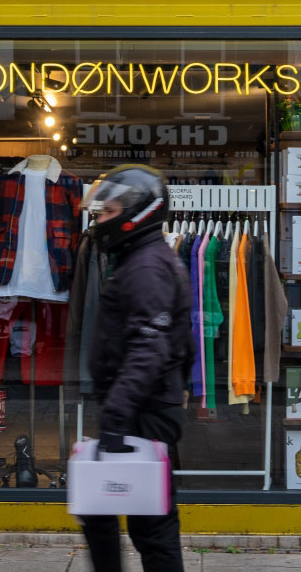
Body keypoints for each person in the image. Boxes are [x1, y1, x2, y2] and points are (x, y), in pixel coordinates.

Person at [76, 164, 193, 572]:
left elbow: (149, 345)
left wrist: (117, 415)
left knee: (151, 527)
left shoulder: (146, 267)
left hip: (143, 414)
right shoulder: (140, 259)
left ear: (136, 213)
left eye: (107, 212)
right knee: (98, 510)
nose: (102, 220)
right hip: (141, 409)